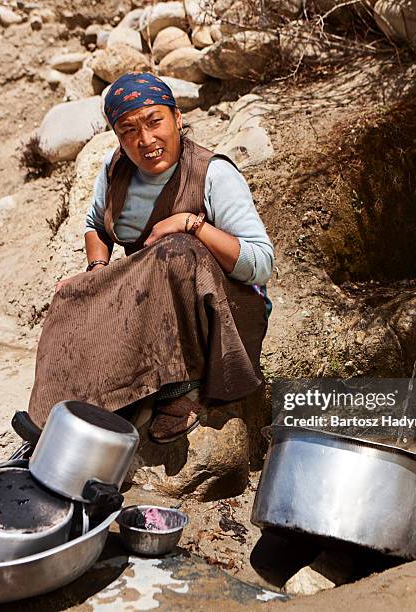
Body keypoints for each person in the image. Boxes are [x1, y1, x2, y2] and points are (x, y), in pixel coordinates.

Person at [28, 72, 274, 443]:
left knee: (177, 252)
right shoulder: (116, 171)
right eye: (128, 131)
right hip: (153, 302)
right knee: (71, 294)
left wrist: (191, 224)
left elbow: (261, 264)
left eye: (154, 121)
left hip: (224, 310)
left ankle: (184, 388)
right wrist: (96, 270)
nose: (146, 140)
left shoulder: (213, 173)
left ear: (177, 118)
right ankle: (57, 416)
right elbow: (95, 223)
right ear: (118, 138)